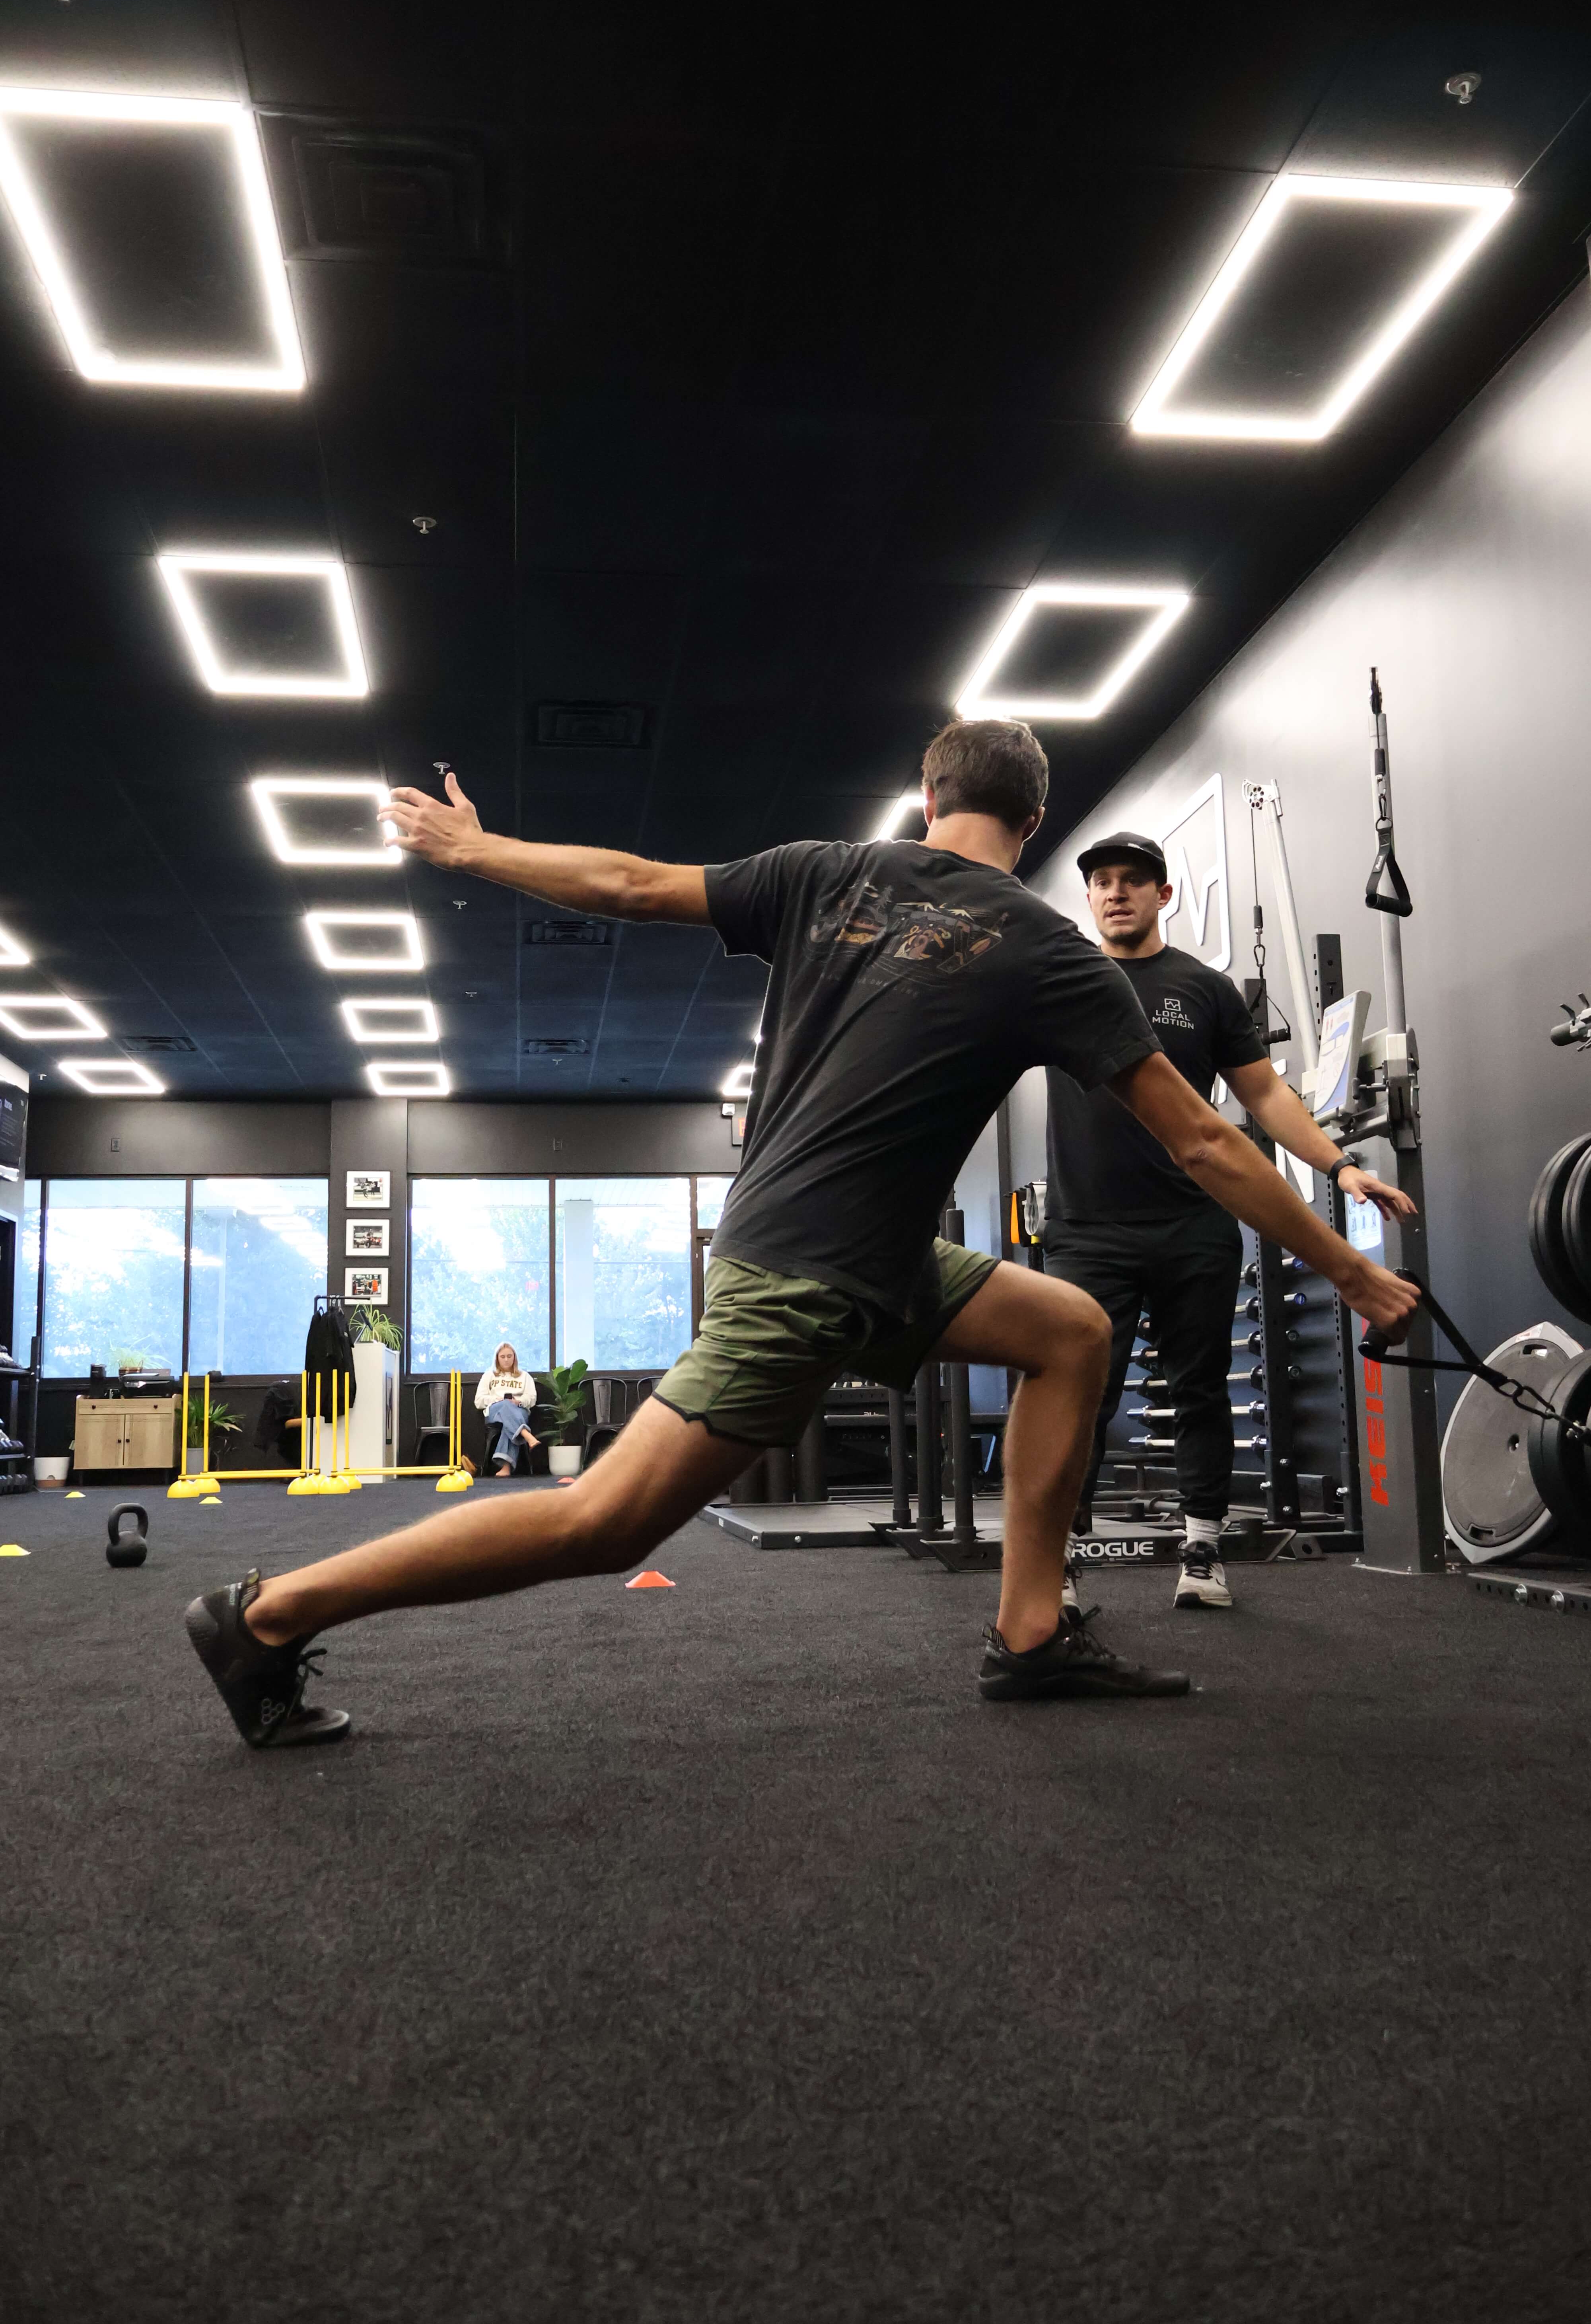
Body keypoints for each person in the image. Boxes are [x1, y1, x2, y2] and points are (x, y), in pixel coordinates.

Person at [184, 720, 1417, 1750]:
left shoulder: (826, 870)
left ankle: (1031, 1631)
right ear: (1031, 825)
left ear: (928, 797)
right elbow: (1205, 1142)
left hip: (845, 1241)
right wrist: (1354, 1268)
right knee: (604, 1520)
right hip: (809, 1265)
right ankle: (267, 1613)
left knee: (1070, 1330)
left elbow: (623, 883)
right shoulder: (1050, 950)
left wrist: (472, 844)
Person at [1044, 831, 1414, 1612]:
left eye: (1133, 881)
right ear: (1088, 898)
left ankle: (1203, 1553)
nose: (1115, 893)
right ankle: (1060, 1563)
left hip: (1192, 1226)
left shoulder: (1202, 989)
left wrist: (1339, 1166)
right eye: (1102, 882)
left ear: (1162, 895)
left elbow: (1266, 1097)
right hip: (1087, 1232)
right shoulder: (1062, 981)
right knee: (1077, 1398)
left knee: (1201, 1392)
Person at [475, 1343, 542, 1477]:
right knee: (506, 1406)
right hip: (494, 1411)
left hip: (519, 1410)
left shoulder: (525, 1376)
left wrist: (519, 1402)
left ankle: (506, 1468)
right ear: (497, 1359)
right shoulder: (489, 1376)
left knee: (509, 1420)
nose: (506, 1360)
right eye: (503, 1357)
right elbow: (479, 1401)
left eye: (509, 1356)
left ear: (514, 1358)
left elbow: (532, 1398)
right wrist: (496, 1400)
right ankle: (526, 1434)